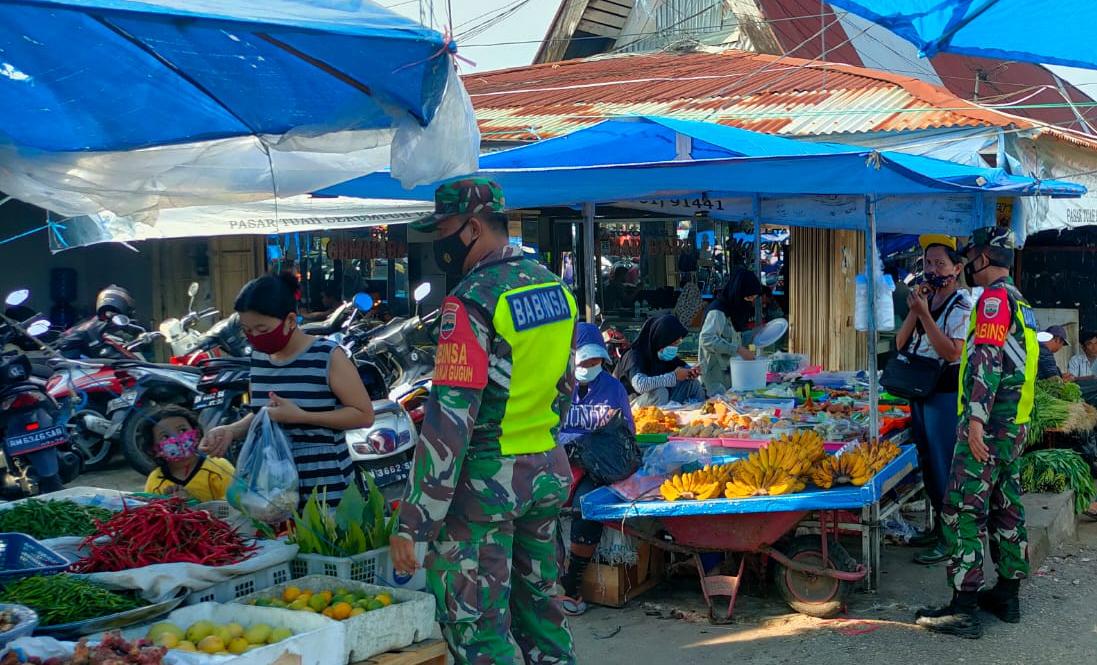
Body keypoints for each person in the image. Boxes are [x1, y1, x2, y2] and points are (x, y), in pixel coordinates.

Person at [386, 179, 577, 665]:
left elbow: (449, 423)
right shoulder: (554, 288)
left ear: (472, 228)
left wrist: (414, 523)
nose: (439, 243)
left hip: (486, 488)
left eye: (444, 229)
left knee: (477, 628)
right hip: (546, 474)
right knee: (542, 613)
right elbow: (566, 386)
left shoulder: (471, 302)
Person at [916, 227, 1037, 639]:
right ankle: (1007, 595)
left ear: (985, 258)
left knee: (961, 510)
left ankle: (963, 607)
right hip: (1014, 427)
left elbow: (987, 364)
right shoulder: (1020, 301)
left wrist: (975, 422)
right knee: (1006, 507)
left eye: (970, 257)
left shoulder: (992, 302)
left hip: (988, 428)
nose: (966, 264)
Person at [199, 273, 374, 508]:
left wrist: (302, 416)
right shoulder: (259, 358)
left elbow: (363, 415)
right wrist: (231, 430)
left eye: (262, 328)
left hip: (325, 487)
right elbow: (265, 412)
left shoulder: (327, 356)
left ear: (291, 320)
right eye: (247, 330)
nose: (254, 337)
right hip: (273, 491)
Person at [893, 235, 973, 565]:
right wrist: (916, 311)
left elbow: (952, 351)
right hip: (919, 391)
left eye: (940, 263)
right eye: (927, 263)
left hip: (944, 394)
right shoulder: (925, 301)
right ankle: (938, 528)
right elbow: (900, 344)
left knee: (944, 466)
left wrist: (925, 315)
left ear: (957, 268)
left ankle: (951, 538)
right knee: (927, 463)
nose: (932, 269)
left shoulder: (962, 304)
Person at [557, 323, 636, 617]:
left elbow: (626, 433)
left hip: (600, 467)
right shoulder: (560, 387)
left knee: (585, 506)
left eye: (594, 361)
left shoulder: (614, 389)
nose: (589, 366)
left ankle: (573, 584)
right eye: (583, 361)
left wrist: (592, 443)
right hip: (562, 463)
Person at [143, 406, 234, 502]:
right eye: (165, 436)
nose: (177, 438)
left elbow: (238, 507)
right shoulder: (155, 481)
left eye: (182, 430)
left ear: (197, 433)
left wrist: (193, 503)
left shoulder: (219, 467)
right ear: (154, 450)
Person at [616, 313, 703, 406]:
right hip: (631, 405)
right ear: (660, 340)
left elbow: (683, 368)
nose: (675, 348)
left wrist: (692, 371)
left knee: (693, 384)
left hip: (663, 403)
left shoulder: (665, 357)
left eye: (677, 344)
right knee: (660, 392)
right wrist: (673, 377)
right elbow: (640, 385)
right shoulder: (634, 355)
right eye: (673, 344)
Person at [698, 269, 761, 396]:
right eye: (748, 297)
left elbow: (735, 337)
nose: (750, 302)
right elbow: (707, 339)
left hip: (730, 378)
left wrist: (756, 333)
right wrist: (738, 349)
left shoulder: (733, 312)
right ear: (738, 293)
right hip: (715, 380)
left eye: (753, 298)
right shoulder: (717, 312)